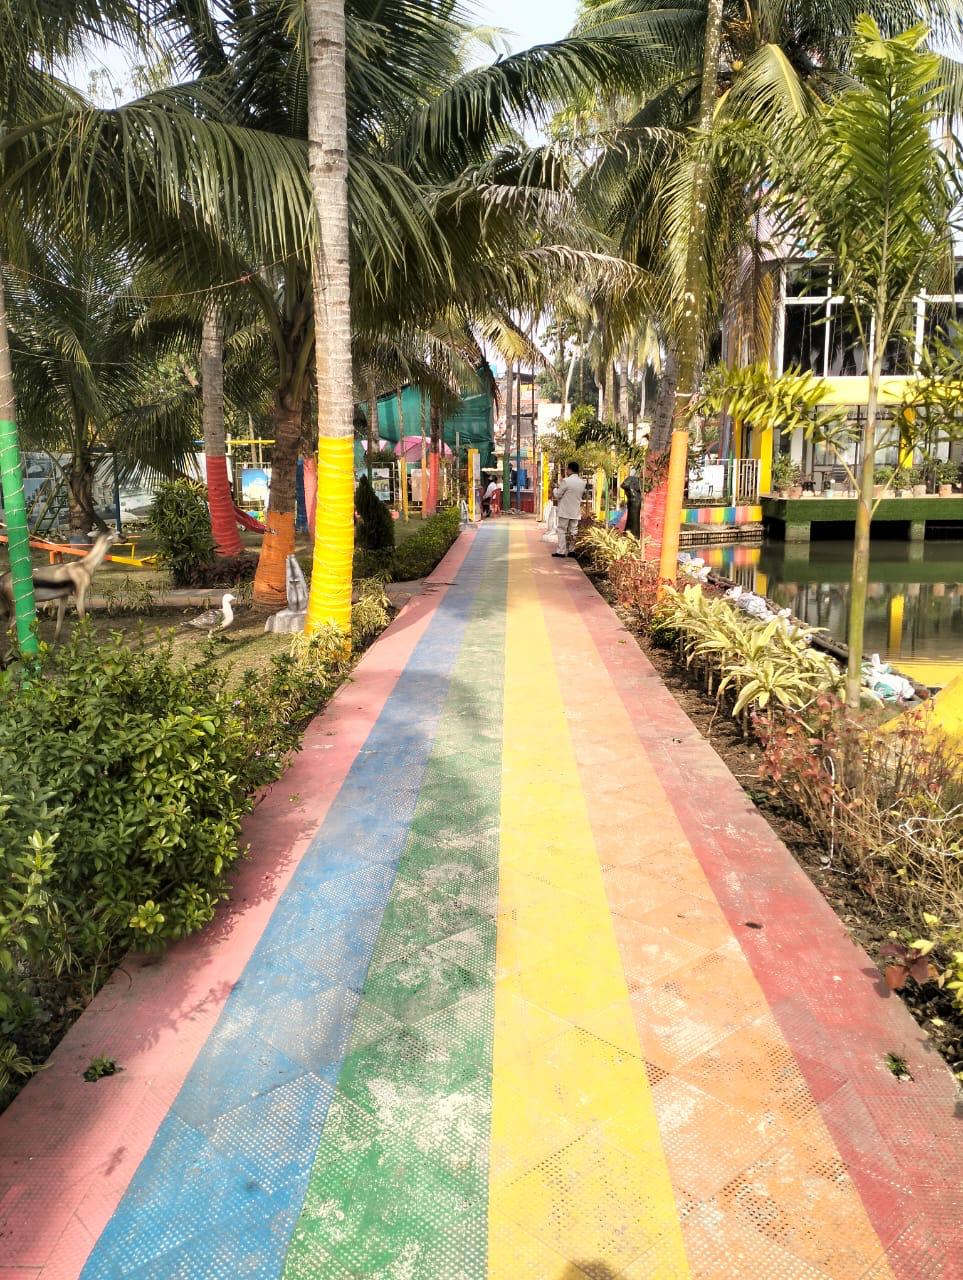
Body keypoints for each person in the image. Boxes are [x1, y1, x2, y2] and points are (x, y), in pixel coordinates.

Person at [553, 461, 587, 558]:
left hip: (564, 510)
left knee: (561, 530)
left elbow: (558, 495)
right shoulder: (582, 483)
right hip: (575, 511)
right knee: (573, 531)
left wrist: (554, 489)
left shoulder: (566, 481)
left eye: (567, 469)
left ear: (570, 469)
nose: (566, 471)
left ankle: (561, 551)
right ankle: (572, 550)